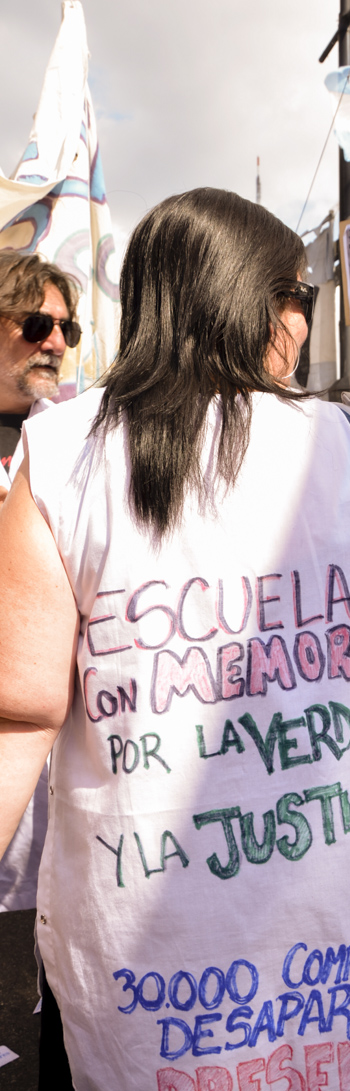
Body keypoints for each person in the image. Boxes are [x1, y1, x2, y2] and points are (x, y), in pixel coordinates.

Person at [0, 188, 350, 1091]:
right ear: (253, 300)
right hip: (323, 898)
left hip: (142, 916)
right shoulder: (346, 439)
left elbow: (21, 710)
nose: (301, 320)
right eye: (297, 295)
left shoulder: (65, 447)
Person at [0, 250, 80, 913]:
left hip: (59, 794)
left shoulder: (78, 444)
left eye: (65, 328)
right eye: (35, 324)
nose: (54, 342)